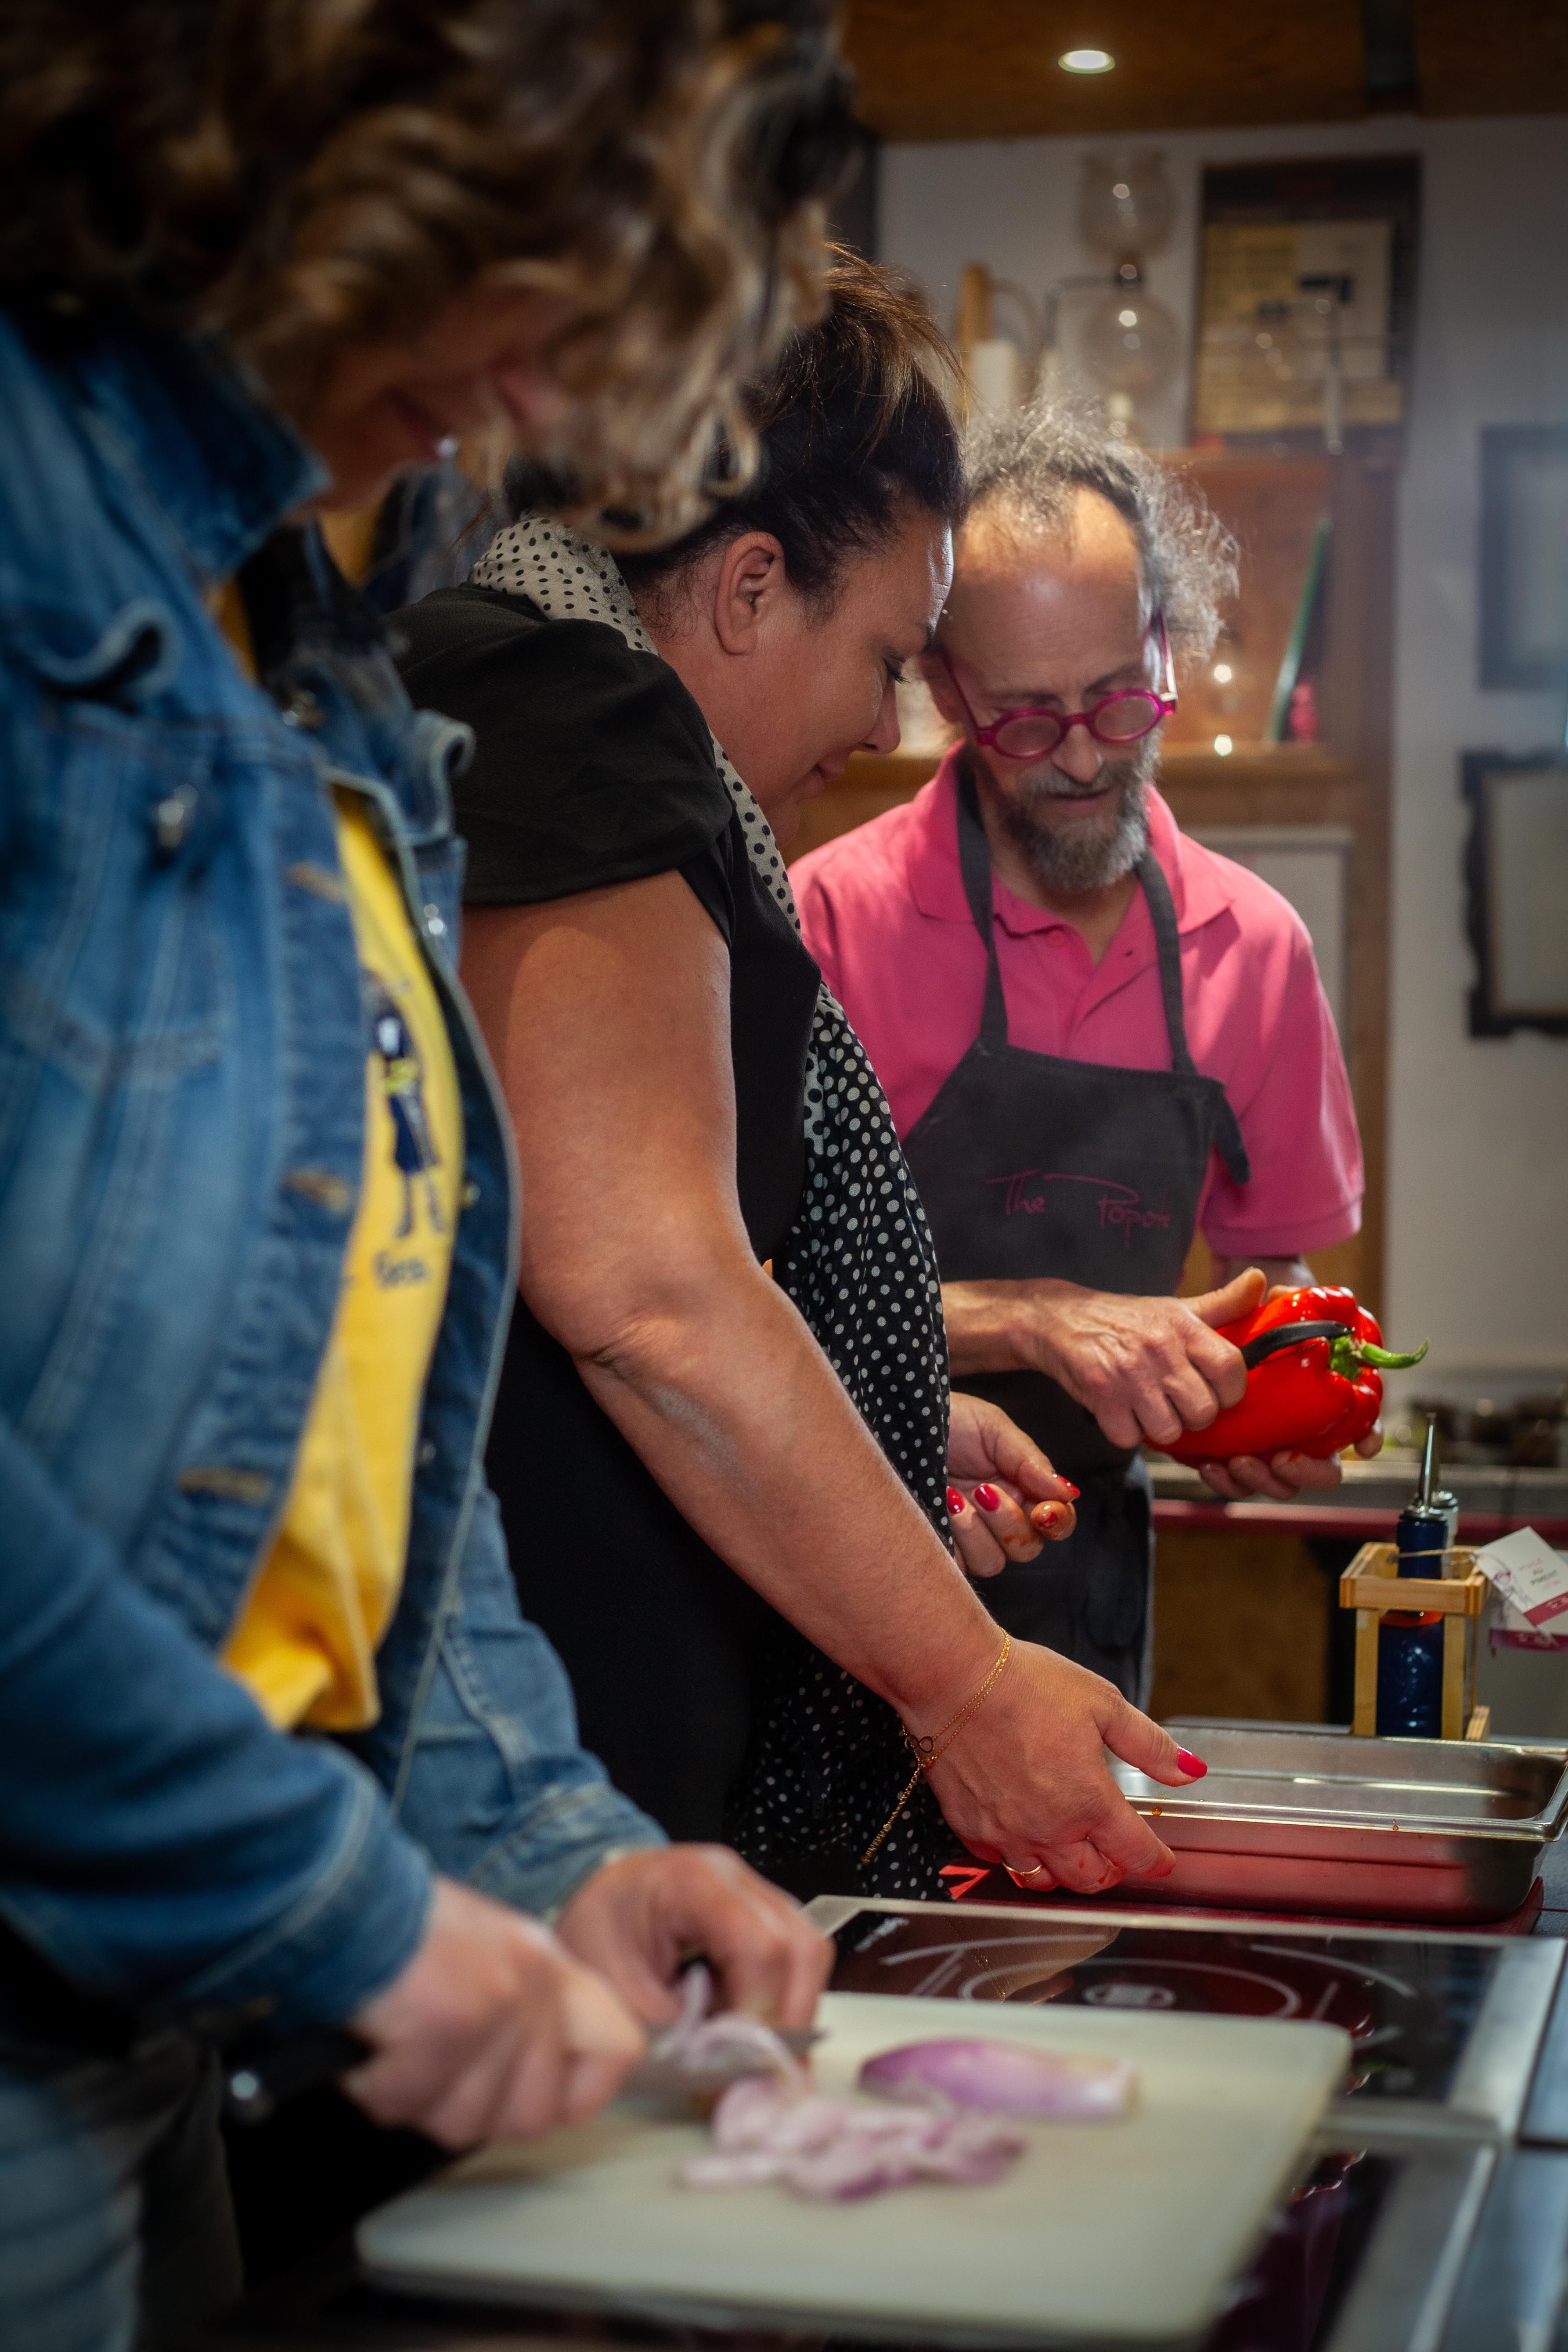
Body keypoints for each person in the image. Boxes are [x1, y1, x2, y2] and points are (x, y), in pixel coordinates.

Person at [0, 2, 846, 2343]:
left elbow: (357, 1420)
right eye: (529, 257)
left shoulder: (324, 645)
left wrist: (540, 1843)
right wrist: (346, 1911)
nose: (543, 392)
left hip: (156, 2005)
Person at [395, 257, 1207, 1915]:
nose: (891, 722)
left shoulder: (519, 695)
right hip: (544, 1796)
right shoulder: (569, 711)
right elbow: (650, 1295)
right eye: (888, 654)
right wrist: (965, 1682)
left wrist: (892, 1411)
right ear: (751, 585)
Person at [792, 395, 1370, 1704]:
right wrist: (1040, 1321)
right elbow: (752, 1299)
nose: (1083, 759)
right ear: (946, 690)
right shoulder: (829, 927)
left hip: (1085, 1582)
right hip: (849, 1557)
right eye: (1026, 717)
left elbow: (1275, 1280)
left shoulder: (1256, 950)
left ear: (1165, 637)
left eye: (1118, 699)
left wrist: (1247, 1397)